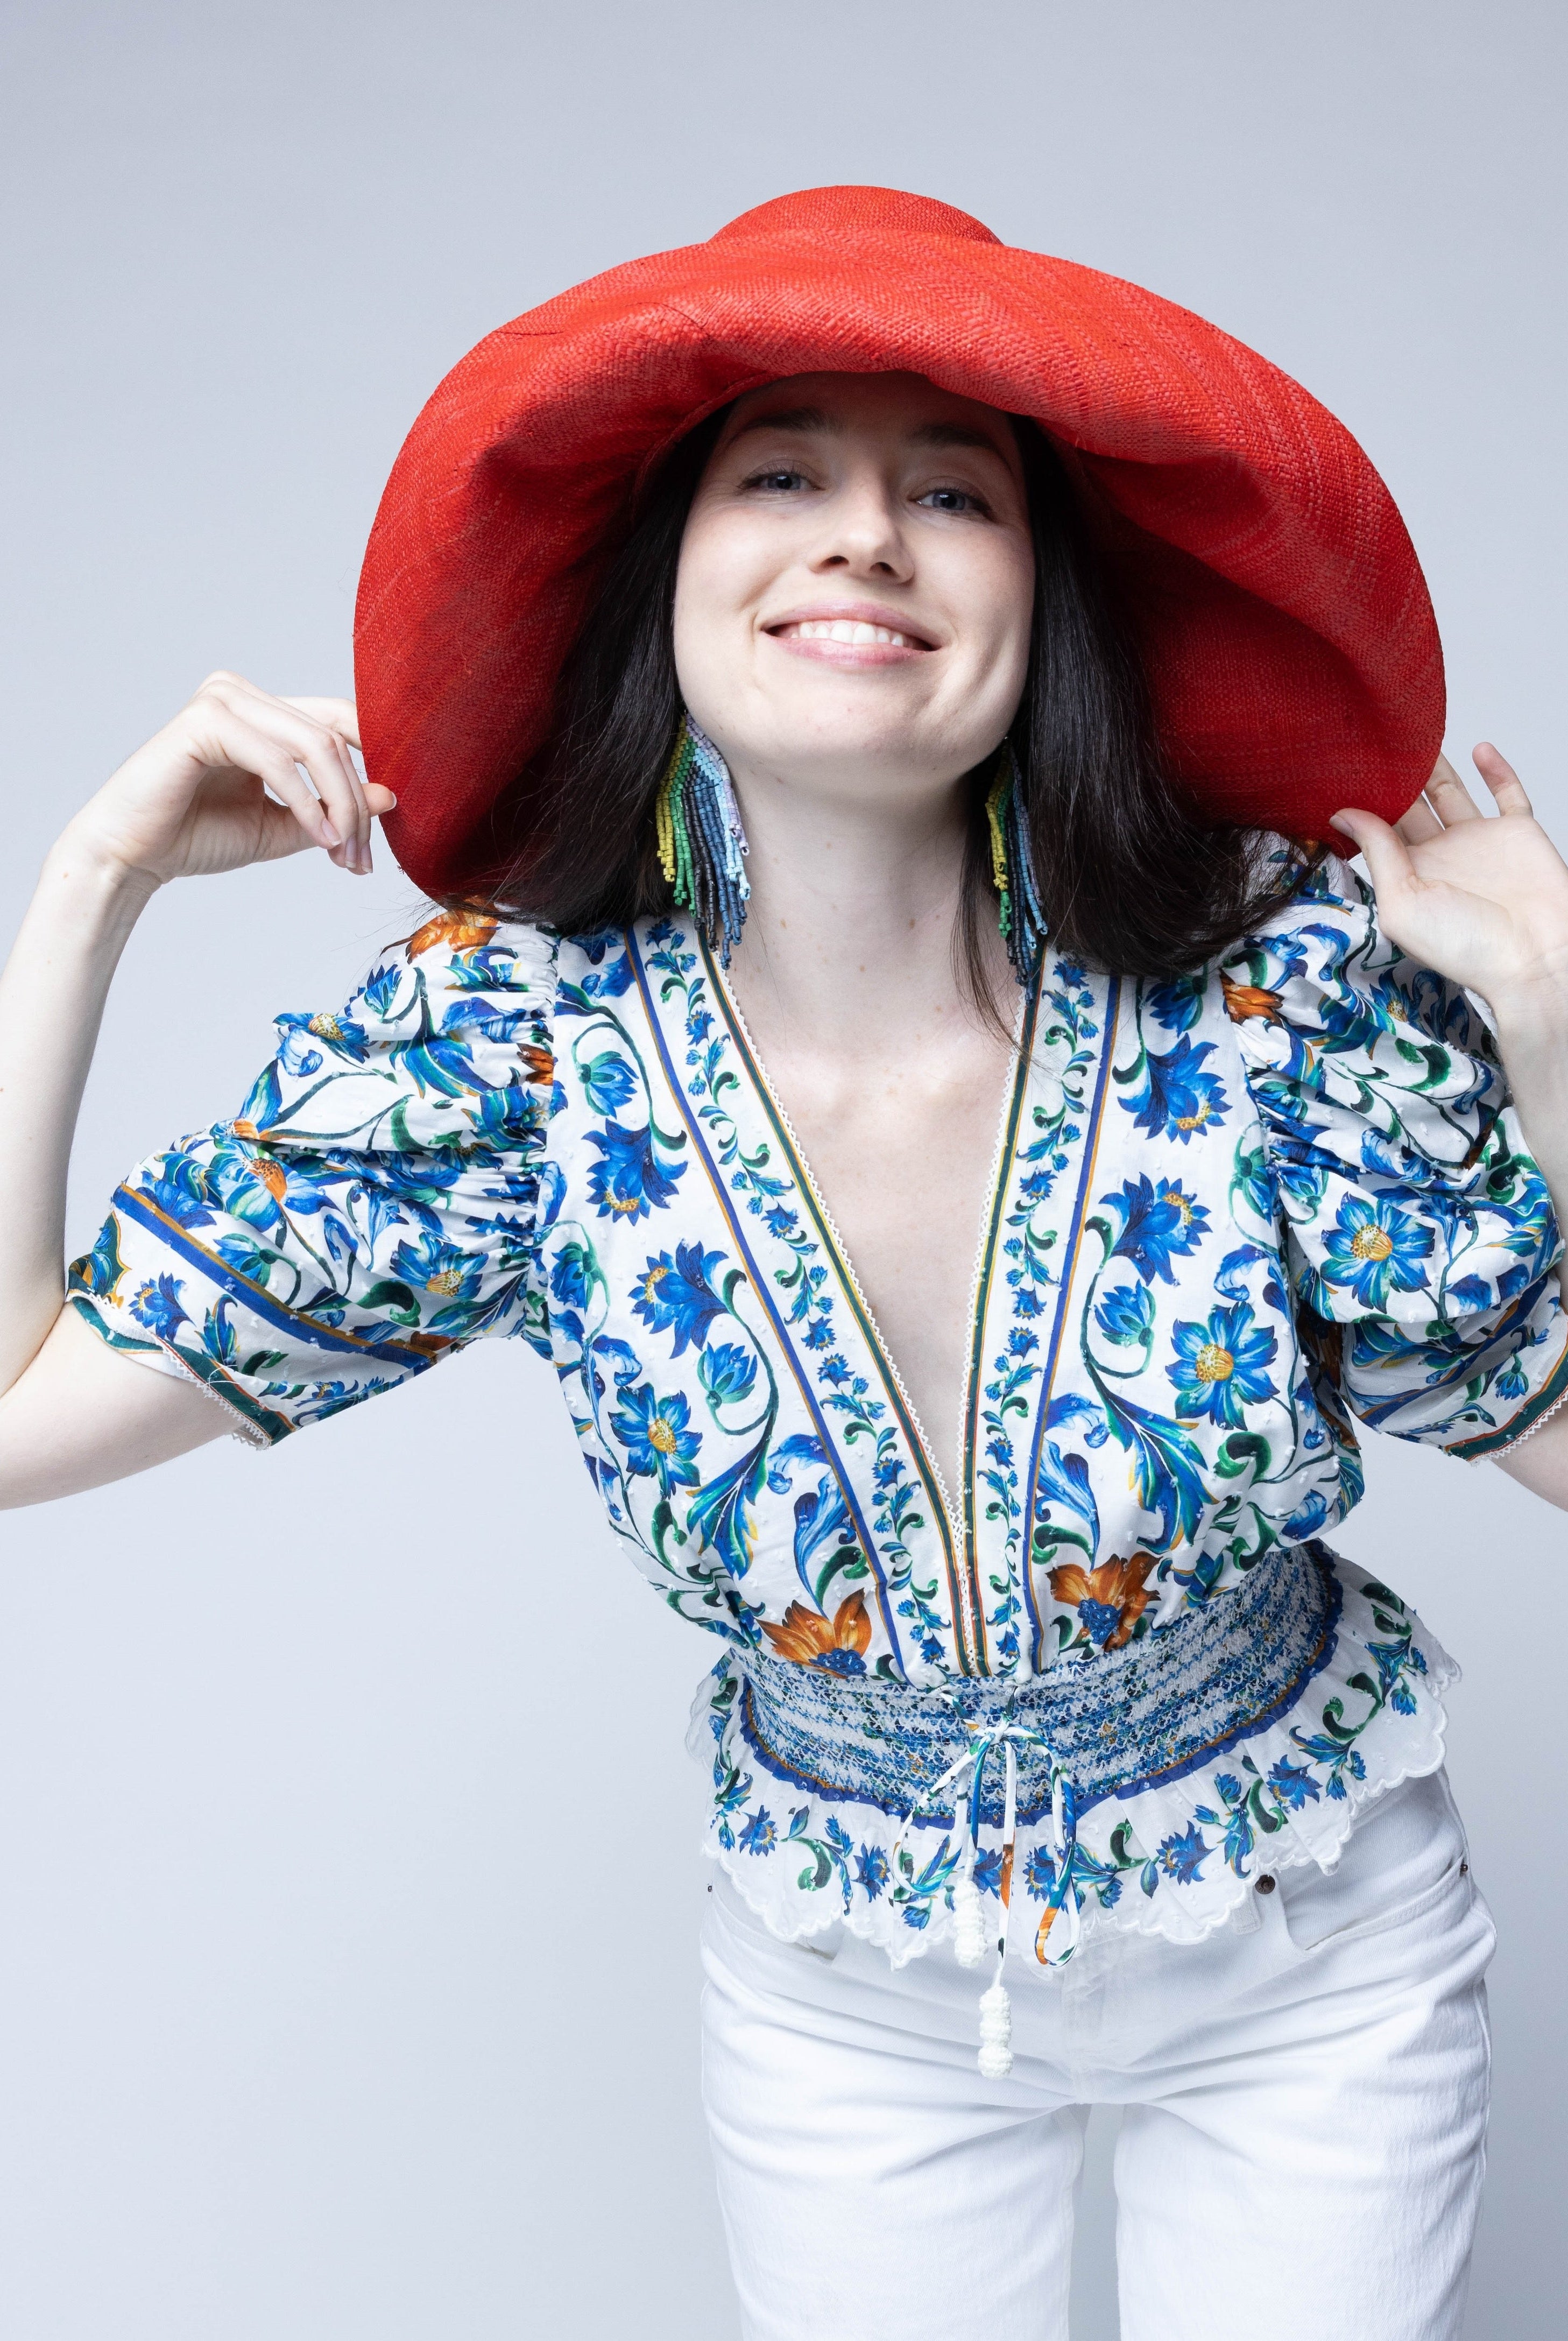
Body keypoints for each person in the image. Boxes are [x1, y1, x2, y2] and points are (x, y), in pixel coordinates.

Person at [2, 186, 1565, 2340]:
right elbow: (7, 1422)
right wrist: (92, 885)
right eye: (783, 473)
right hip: (857, 2001)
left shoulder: (1267, 991)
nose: (866, 537)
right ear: (670, 580)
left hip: (1314, 1947)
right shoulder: (513, 1050)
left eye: (952, 487)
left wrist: (1558, 1049)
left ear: (1047, 602)